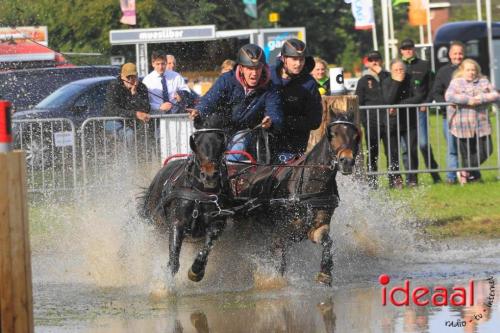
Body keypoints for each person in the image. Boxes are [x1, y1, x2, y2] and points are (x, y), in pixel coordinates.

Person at [187, 44, 283, 161]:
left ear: (263, 67)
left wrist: (270, 121)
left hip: (249, 132)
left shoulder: (270, 87)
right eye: (250, 68)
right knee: (203, 144)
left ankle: (228, 170)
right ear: (241, 68)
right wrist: (199, 110)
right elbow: (209, 100)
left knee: (240, 141)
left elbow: (275, 113)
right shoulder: (227, 80)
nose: (254, 73)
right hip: (221, 128)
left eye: (257, 68)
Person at [445, 58, 499, 184]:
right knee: (467, 153)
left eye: (473, 70)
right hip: (462, 125)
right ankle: (472, 178)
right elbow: (449, 96)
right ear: (462, 71)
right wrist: (467, 100)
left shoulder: (484, 81)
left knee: (486, 150)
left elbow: (495, 95)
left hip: (482, 124)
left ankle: (464, 170)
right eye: (468, 70)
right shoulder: (456, 82)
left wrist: (480, 98)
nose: (471, 72)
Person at [270, 38, 323, 163]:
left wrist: (285, 122)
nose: (298, 64)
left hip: (294, 145)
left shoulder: (309, 84)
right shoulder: (268, 77)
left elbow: (315, 121)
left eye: (301, 59)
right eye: (294, 59)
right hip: (265, 141)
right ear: (283, 59)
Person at [356, 50, 402, 189]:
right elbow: (359, 102)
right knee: (372, 153)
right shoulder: (363, 80)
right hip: (372, 123)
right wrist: (364, 122)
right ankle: (372, 182)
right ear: (367, 62)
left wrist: (381, 73)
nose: (374, 62)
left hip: (389, 121)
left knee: (392, 152)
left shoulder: (387, 76)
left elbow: (389, 90)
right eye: (371, 60)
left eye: (377, 59)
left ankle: (394, 180)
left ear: (381, 61)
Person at [399, 38, 441, 183]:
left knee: (423, 144)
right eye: (404, 48)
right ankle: (412, 178)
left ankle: (435, 174)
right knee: (407, 147)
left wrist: (427, 102)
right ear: (401, 51)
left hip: (420, 110)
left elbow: (432, 85)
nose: (407, 50)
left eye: (410, 47)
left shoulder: (424, 65)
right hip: (404, 112)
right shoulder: (398, 66)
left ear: (414, 48)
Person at [427, 41, 465, 184]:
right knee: (452, 148)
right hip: (448, 117)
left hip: (468, 117)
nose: (458, 56)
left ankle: (472, 174)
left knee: (468, 148)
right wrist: (447, 106)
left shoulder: (470, 68)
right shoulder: (443, 72)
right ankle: (451, 177)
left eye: (460, 53)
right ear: (449, 55)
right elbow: (436, 92)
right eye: (455, 53)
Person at [383, 58, 424, 187]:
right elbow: (388, 100)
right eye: (396, 70)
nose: (399, 72)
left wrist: (399, 105)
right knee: (392, 152)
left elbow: (418, 97)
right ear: (391, 71)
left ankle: (412, 179)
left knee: (411, 150)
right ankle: (395, 179)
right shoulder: (386, 82)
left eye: (401, 69)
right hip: (392, 122)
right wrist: (397, 83)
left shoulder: (411, 80)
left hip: (409, 121)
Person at [103, 62, 150, 145]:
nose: (131, 80)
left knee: (144, 135)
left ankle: (142, 156)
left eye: (133, 77)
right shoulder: (114, 86)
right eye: (128, 77)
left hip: (133, 121)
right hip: (113, 120)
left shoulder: (142, 87)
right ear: (122, 76)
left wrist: (134, 94)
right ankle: (129, 157)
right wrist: (135, 114)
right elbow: (113, 109)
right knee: (129, 134)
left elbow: (146, 108)